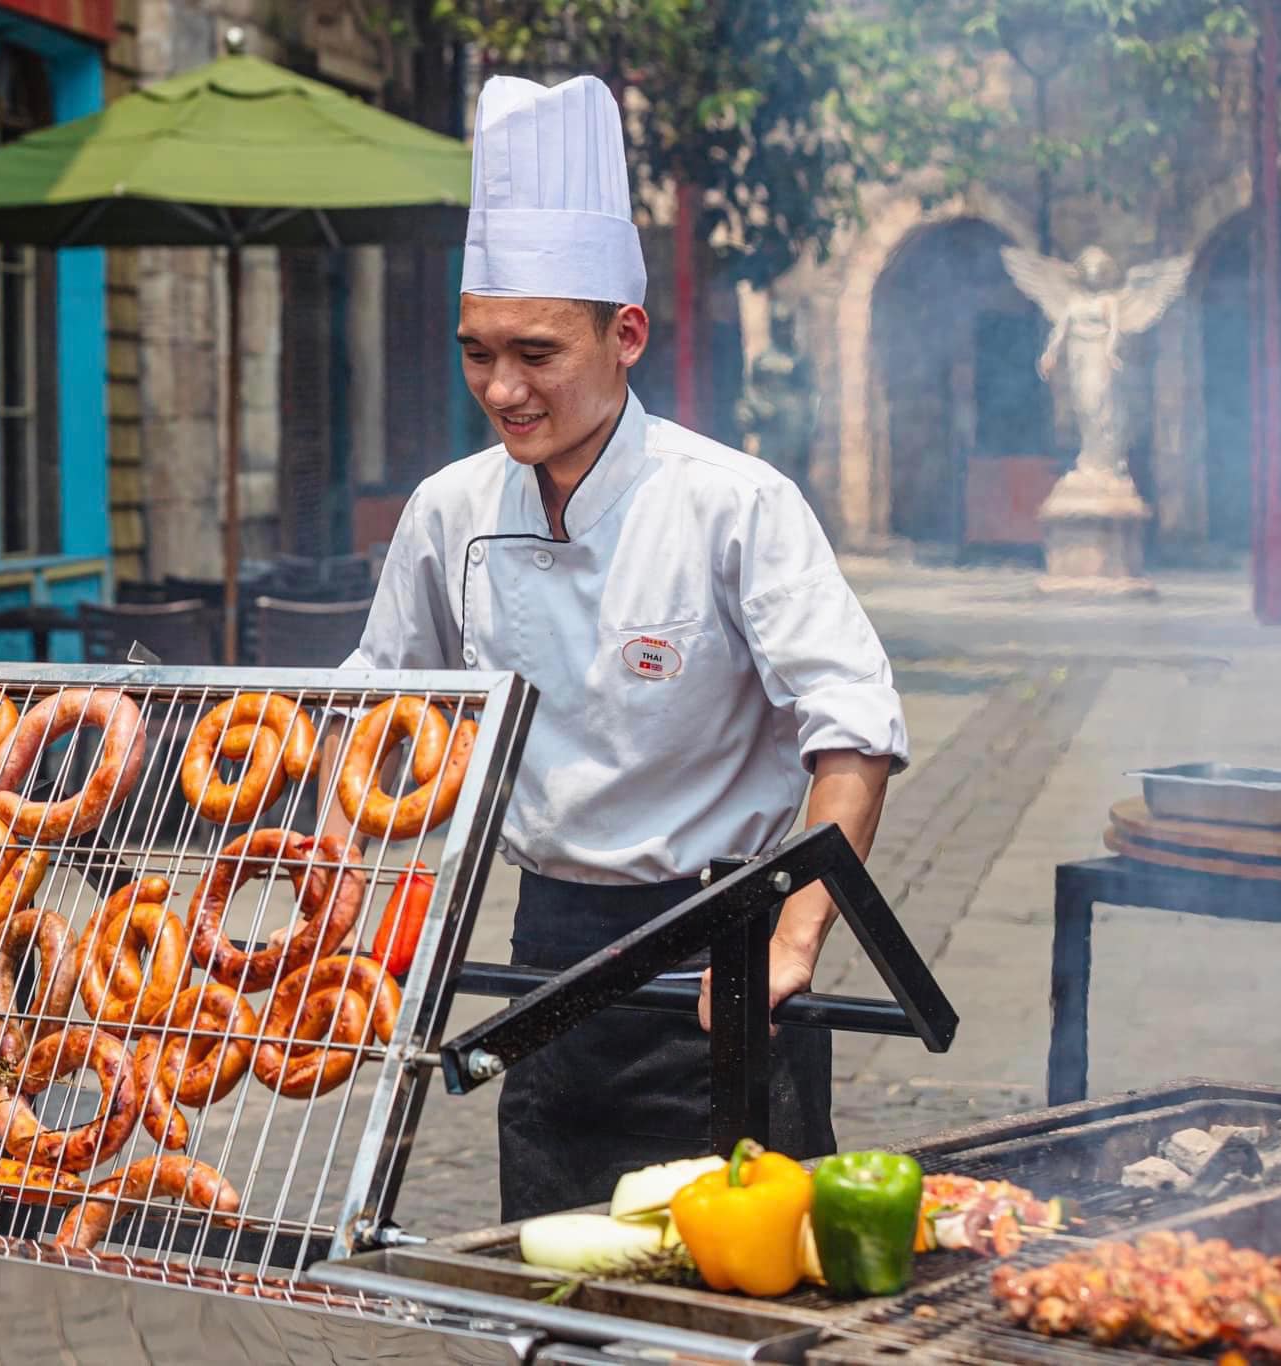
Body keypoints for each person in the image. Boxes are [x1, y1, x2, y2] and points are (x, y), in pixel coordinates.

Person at [340, 74, 909, 1222]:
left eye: (536, 352)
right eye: (477, 352)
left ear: (625, 333)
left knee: (739, 1305)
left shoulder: (733, 503)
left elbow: (854, 730)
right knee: (553, 1287)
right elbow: (382, 711)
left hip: (723, 951)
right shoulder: (449, 510)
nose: (502, 389)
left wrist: (793, 938)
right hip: (545, 945)